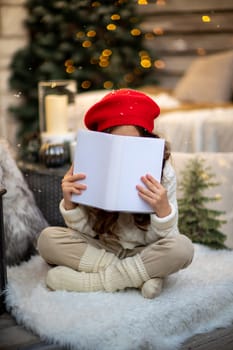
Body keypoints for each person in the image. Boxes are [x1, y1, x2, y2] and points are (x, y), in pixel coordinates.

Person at [37, 89, 194, 299]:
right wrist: (70, 204)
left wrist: (163, 211)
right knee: (47, 240)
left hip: (144, 249)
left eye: (132, 145)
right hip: (102, 249)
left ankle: (94, 282)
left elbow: (168, 239)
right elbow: (86, 232)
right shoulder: (90, 165)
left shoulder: (164, 171)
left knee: (182, 248)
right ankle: (141, 277)